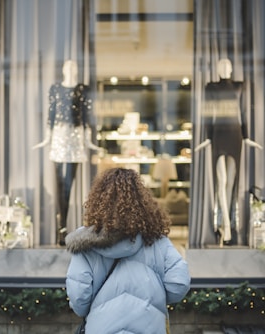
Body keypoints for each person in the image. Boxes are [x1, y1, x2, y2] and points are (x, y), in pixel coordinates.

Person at [65, 168, 190, 334]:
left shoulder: (85, 243)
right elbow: (178, 284)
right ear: (142, 201)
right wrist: (152, 300)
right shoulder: (156, 239)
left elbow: (79, 296)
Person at [195, 58, 262, 246]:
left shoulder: (240, 86)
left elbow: (243, 113)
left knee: (231, 184)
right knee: (221, 182)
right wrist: (208, 137)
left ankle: (227, 228)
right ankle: (225, 224)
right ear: (216, 68)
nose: (224, 68)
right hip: (218, 135)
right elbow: (208, 114)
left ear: (232, 68)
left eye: (227, 65)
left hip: (235, 135)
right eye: (220, 65)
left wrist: (246, 136)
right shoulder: (211, 88)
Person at [33, 59, 100, 245]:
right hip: (59, 136)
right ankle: (61, 227)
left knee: (69, 183)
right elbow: (51, 114)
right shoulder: (55, 89)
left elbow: (86, 115)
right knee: (59, 184)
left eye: (74, 65)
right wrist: (47, 139)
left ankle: (63, 227)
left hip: (76, 136)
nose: (71, 68)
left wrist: (89, 141)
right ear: (63, 69)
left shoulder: (83, 89)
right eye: (68, 65)